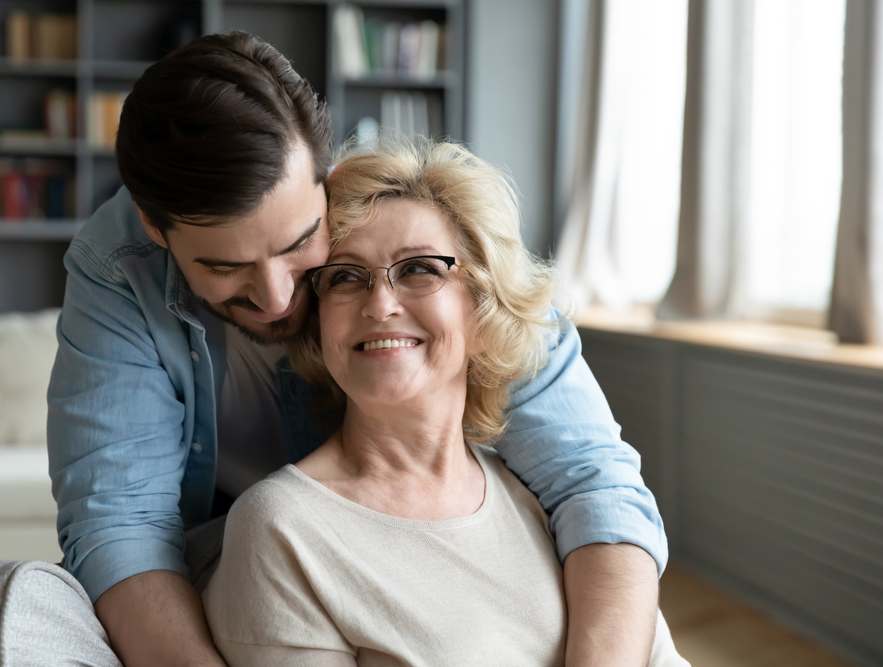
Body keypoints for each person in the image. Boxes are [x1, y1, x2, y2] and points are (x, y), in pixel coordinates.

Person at [48, 31, 667, 667]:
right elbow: (120, 528)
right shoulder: (119, 267)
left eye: (301, 245)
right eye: (227, 266)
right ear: (157, 231)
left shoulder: (412, 232)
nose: (277, 295)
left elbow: (595, 479)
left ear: (326, 179)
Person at [202, 139, 687, 666]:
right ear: (319, 326)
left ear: (483, 311)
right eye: (345, 277)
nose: (381, 304)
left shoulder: (552, 500)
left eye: (419, 269)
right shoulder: (281, 529)